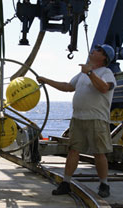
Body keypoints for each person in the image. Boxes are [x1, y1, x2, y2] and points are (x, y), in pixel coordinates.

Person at [37, 44, 116, 198]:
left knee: (99, 153)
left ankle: (104, 184)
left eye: (99, 50)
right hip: (78, 118)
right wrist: (45, 80)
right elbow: (67, 86)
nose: (94, 50)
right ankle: (66, 183)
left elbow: (105, 88)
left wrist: (90, 72)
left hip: (97, 119)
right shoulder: (82, 74)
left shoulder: (107, 72)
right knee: (73, 150)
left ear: (104, 57)